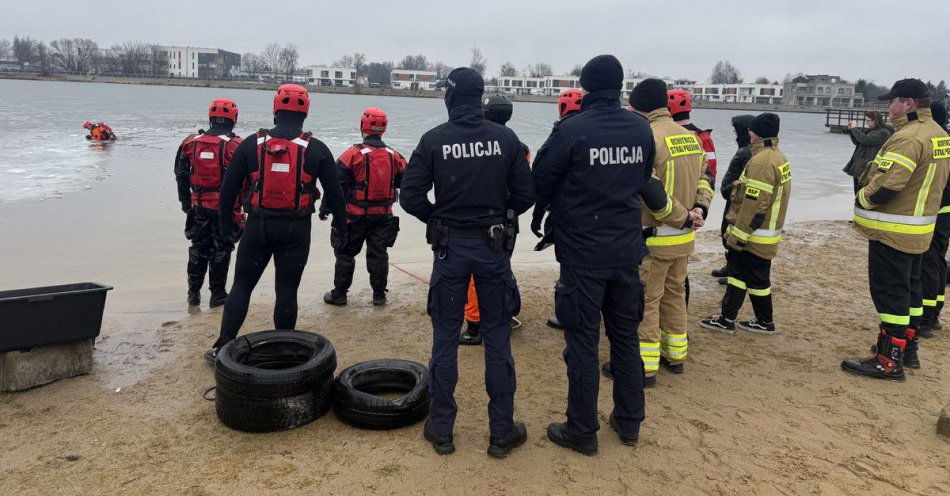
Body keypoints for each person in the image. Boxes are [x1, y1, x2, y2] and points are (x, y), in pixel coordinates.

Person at [533, 55, 699, 455]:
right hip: (627, 251)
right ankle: (629, 424)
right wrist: (683, 216)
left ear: (586, 87)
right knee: (624, 339)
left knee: (584, 343)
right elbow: (645, 184)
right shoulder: (640, 131)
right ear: (620, 87)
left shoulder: (572, 130)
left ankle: (582, 430)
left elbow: (538, 182)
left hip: (583, 255)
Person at [400, 68, 534, 458]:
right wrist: (502, 214)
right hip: (493, 250)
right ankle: (501, 431)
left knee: (445, 339)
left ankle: (441, 430)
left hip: (450, 250)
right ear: (480, 98)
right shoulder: (506, 138)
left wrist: (438, 219)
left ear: (450, 97)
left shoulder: (434, 140)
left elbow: (410, 197)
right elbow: (526, 194)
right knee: (496, 339)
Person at [204, 84, 346, 362]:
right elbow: (336, 195)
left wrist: (225, 227)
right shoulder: (316, 149)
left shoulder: (251, 144)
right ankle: (283, 350)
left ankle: (222, 346)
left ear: (275, 110)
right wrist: (340, 228)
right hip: (296, 230)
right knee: (287, 291)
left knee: (242, 286)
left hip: (258, 227)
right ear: (305, 113)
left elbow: (227, 191)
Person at [600, 79, 711, 387]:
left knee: (646, 300)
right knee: (674, 295)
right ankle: (675, 357)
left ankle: (643, 367)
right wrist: (700, 210)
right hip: (684, 240)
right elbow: (705, 177)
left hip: (657, 237)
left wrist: (682, 217)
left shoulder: (647, 137)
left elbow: (651, 191)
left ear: (640, 107)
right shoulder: (689, 137)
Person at [841, 79, 950, 381]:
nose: (888, 108)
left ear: (909, 103)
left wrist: (861, 198)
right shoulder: (938, 133)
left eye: (892, 102)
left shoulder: (909, 137)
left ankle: (888, 360)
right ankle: (908, 350)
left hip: (894, 230)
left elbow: (888, 185)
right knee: (911, 291)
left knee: (891, 295)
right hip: (919, 229)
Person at [700, 113, 791, 335]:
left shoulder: (761, 162)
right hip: (767, 232)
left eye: (751, 130)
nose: (748, 134)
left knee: (738, 275)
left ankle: (727, 319)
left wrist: (738, 236)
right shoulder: (778, 157)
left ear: (757, 132)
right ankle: (763, 321)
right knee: (757, 279)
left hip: (753, 234)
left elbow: (754, 206)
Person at [322, 107, 407, 307]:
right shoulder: (395, 156)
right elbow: (407, 181)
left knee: (345, 253)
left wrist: (326, 209)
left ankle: (340, 294)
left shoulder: (352, 154)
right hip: (384, 216)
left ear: (363, 127)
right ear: (383, 129)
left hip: (355, 216)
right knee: (379, 254)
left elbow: (335, 185)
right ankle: (378, 295)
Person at [458, 94, 519, 345]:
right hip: (508, 219)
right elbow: (524, 187)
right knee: (502, 269)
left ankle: (474, 326)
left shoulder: (478, 143)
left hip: (483, 219)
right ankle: (506, 311)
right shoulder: (516, 144)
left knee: (475, 276)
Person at [174, 98, 245, 307]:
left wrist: (186, 203)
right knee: (222, 248)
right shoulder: (235, 145)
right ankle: (218, 294)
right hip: (225, 208)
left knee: (197, 247)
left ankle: (193, 294)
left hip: (198, 205)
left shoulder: (189, 142)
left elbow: (180, 174)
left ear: (211, 117)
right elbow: (248, 177)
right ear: (234, 119)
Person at [538, 88, 584, 331]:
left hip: (568, 214)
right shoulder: (595, 129)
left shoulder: (562, 132)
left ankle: (568, 315)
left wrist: (540, 208)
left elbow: (544, 171)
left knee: (569, 269)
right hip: (599, 215)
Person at [711, 115, 755, 283]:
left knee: (730, 234)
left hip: (736, 200)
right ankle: (731, 267)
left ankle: (734, 271)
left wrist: (728, 189)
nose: (734, 133)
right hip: (737, 198)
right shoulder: (750, 149)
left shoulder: (745, 151)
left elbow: (734, 182)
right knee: (729, 234)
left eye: (735, 129)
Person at [921, 102, 950, 337]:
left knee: (929, 263)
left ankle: (928, 317)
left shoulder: (935, 141)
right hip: (945, 210)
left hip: (937, 209)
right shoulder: (946, 140)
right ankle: (935, 311)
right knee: (938, 261)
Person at [842, 111, 892, 193]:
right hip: (859, 165)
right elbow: (857, 141)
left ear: (875, 120)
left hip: (868, 168)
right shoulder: (869, 130)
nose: (866, 123)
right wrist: (851, 130)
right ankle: (857, 205)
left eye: (868, 121)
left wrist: (855, 128)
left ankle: (860, 205)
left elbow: (865, 139)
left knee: (863, 192)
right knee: (857, 192)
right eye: (866, 120)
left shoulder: (884, 133)